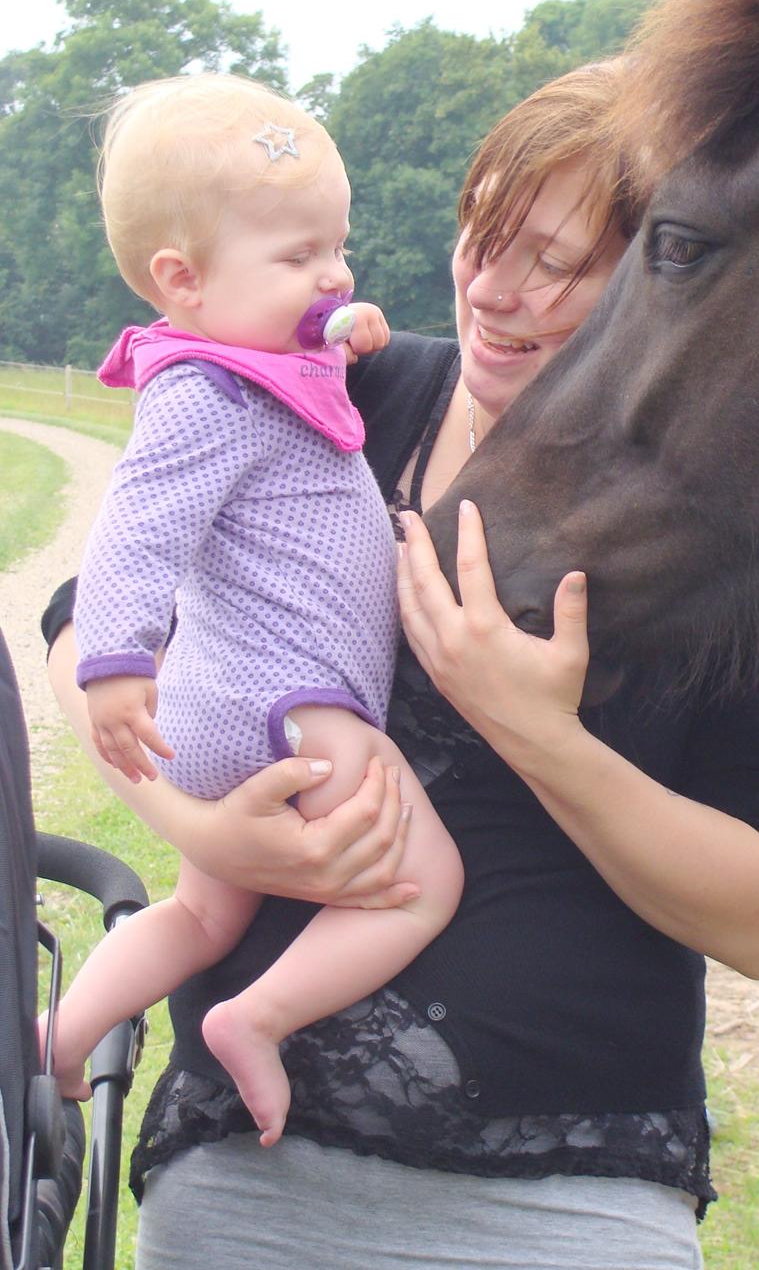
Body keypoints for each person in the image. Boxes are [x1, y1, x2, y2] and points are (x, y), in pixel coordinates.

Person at [43, 63, 759, 1269]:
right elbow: (88, 620)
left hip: (568, 1206)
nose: (491, 286)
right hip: (248, 1183)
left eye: (553, 261)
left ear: (672, 275)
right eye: (483, 233)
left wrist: (538, 731)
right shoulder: (341, 394)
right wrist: (201, 831)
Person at [45, 74, 462, 1148]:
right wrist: (116, 661)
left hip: (231, 711)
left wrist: (343, 317)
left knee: (199, 911)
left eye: (336, 247)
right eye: (297, 258)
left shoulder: (265, 354)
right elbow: (137, 526)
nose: (328, 275)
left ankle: (60, 1036)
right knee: (422, 883)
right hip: (288, 700)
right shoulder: (207, 393)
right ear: (179, 281)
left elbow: (316, 334)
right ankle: (257, 1020)